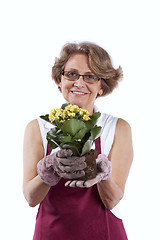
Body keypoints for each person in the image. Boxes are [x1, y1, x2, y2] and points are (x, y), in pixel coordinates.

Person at [23, 42, 133, 240]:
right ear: (60, 80)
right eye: (71, 74)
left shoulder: (117, 128)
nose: (79, 83)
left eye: (90, 76)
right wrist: (49, 170)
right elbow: (31, 198)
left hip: (105, 233)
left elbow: (112, 200)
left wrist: (103, 174)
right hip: (51, 233)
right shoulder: (38, 128)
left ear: (102, 86)